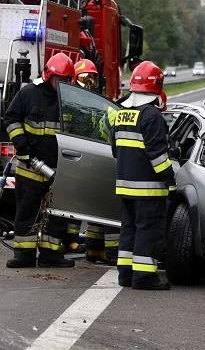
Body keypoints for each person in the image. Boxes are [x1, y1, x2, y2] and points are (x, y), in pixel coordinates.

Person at [4, 53, 75, 268]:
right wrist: (21, 143)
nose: (60, 84)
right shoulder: (28, 93)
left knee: (57, 215)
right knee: (27, 212)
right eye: (57, 79)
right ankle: (23, 255)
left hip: (59, 168)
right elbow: (11, 119)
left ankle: (50, 255)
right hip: (30, 168)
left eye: (64, 80)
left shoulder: (70, 99)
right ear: (48, 76)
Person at [110, 61, 175, 289]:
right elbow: (158, 156)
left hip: (125, 187)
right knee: (148, 231)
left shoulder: (121, 114)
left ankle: (125, 275)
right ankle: (144, 277)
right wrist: (170, 179)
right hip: (148, 188)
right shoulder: (152, 116)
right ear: (157, 86)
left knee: (128, 230)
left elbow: (114, 150)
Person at [67, 58, 120, 264]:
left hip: (97, 158)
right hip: (78, 158)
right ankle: (74, 241)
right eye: (85, 78)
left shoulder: (98, 103)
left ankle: (94, 249)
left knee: (95, 205)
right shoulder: (73, 103)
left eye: (93, 78)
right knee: (83, 204)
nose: (89, 82)